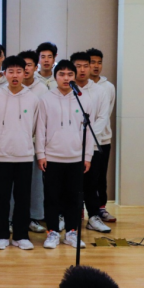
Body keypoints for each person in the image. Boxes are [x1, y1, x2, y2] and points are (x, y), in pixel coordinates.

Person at [36, 60, 94, 249]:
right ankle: (52, 232)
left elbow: (88, 131)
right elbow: (40, 129)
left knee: (74, 198)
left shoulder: (83, 99)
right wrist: (41, 154)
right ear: (55, 77)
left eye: (70, 74)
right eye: (62, 74)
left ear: (74, 77)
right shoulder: (46, 99)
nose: (66, 78)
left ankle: (71, 232)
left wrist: (87, 156)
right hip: (52, 157)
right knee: (52, 197)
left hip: (76, 157)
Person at [0, 56, 39, 251]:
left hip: (24, 155)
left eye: (19, 71)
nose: (15, 75)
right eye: (11, 71)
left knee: (23, 198)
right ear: (5, 74)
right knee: (1, 198)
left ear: (25, 73)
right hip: (1, 156)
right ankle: (1, 235)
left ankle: (21, 235)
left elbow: (35, 127)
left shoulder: (32, 98)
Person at [70, 52, 112, 234]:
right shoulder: (66, 89)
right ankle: (68, 217)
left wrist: (88, 137)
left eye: (85, 66)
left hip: (92, 144)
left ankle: (93, 216)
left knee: (91, 183)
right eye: (78, 66)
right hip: (69, 146)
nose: (82, 70)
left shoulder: (100, 91)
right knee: (70, 183)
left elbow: (103, 117)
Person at [15, 50, 49, 233]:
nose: (25, 69)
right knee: (14, 186)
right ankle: (13, 218)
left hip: (34, 144)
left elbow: (44, 119)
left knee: (35, 184)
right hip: (13, 145)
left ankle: (34, 217)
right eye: (23, 65)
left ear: (36, 68)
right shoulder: (9, 88)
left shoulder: (42, 89)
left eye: (29, 65)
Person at [86, 48, 117, 223]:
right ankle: (81, 209)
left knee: (100, 175)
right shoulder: (80, 85)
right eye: (92, 62)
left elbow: (107, 112)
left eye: (99, 62)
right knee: (83, 177)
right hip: (82, 140)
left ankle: (101, 208)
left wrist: (95, 132)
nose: (96, 66)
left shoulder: (108, 87)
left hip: (102, 139)